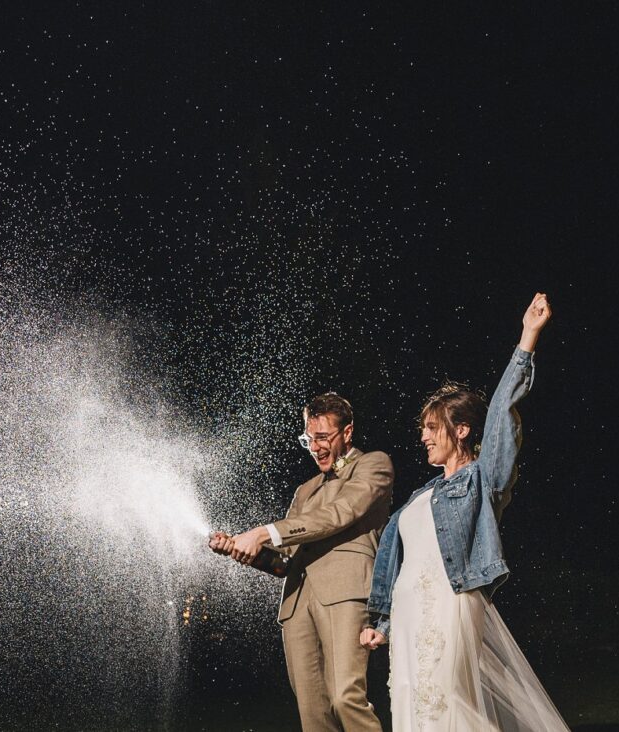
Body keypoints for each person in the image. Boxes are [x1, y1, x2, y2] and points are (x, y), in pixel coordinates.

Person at [360, 293, 568, 731]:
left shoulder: (481, 480)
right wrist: (383, 622)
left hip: (450, 601)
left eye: (432, 428)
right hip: (407, 610)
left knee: (447, 701)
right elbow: (398, 561)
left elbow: (499, 419)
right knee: (410, 703)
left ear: (462, 430)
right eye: (423, 430)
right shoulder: (421, 495)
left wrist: (527, 338)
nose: (423, 438)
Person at [210, 393, 392, 732]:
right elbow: (284, 563)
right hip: (297, 604)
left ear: (347, 432)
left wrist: (263, 533)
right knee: (313, 714)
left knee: (344, 697)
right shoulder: (304, 490)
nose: (315, 447)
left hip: (344, 594)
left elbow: (339, 514)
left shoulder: (373, 465)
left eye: (323, 437)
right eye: (309, 439)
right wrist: (240, 549)